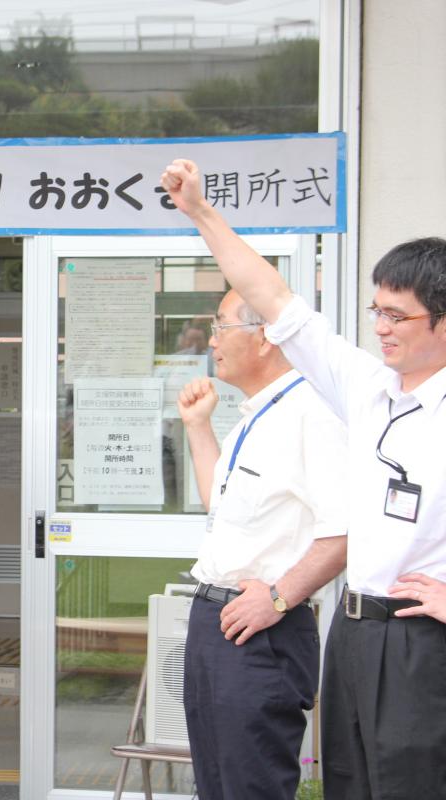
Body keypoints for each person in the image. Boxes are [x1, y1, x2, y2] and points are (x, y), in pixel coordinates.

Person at [163, 158, 446, 799]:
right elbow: (274, 300)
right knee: (349, 785)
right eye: (376, 310)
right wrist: (202, 213)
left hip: (421, 644)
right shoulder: (368, 389)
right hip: (352, 634)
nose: (380, 328)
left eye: (398, 316)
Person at [176, 289, 348, 800]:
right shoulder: (255, 414)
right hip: (214, 618)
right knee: (216, 783)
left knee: (250, 787)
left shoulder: (313, 413)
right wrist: (198, 427)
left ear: (266, 336)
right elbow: (219, 504)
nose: (211, 340)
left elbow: (346, 530)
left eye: (221, 325)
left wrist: (278, 597)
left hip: (261, 629)